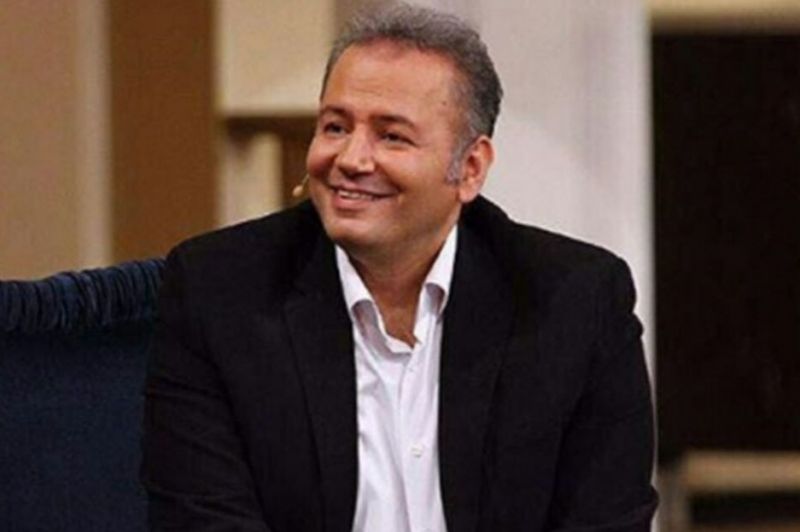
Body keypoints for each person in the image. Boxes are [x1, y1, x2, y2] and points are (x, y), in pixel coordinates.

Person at [142, 4, 657, 531]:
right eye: (335, 127)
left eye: (392, 136)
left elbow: (608, 520)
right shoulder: (219, 292)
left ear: (470, 168)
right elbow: (203, 519)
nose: (350, 159)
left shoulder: (575, 302)